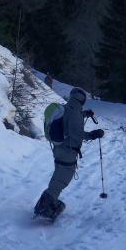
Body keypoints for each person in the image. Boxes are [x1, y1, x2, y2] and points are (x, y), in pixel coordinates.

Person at [34, 87, 104, 219]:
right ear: (82, 99)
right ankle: (45, 208)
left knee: (58, 176)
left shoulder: (66, 108)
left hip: (59, 149)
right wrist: (93, 135)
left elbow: (69, 119)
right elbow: (76, 133)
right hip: (68, 151)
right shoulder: (75, 112)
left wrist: (85, 114)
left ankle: (48, 201)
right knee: (62, 179)